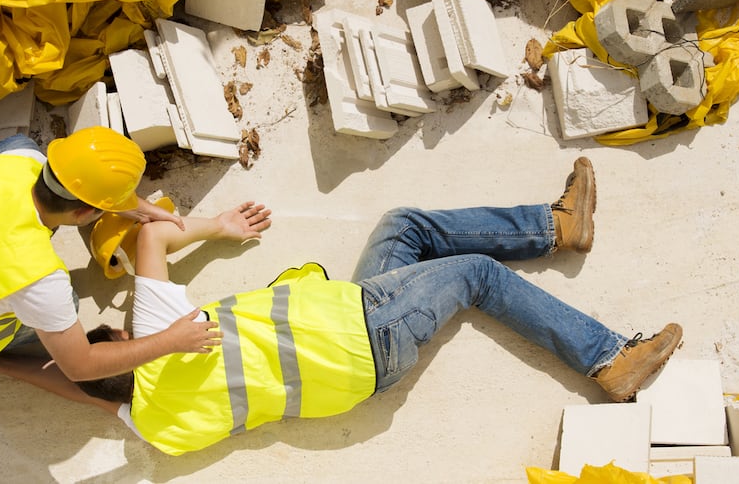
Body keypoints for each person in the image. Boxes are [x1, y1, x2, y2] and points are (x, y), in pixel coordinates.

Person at [69, 157, 683, 455]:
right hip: (364, 329)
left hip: (358, 361)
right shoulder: (154, 329)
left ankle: (558, 226)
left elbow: (78, 384)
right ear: (119, 339)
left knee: (403, 228)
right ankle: (608, 358)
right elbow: (152, 236)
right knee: (475, 274)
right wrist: (213, 224)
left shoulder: (151, 427)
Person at [0, 126, 221, 392]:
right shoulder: (39, 278)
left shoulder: (20, 158)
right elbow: (79, 367)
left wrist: (132, 207)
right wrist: (171, 340)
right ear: (83, 214)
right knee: (68, 305)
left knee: (15, 142)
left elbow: (71, 184)